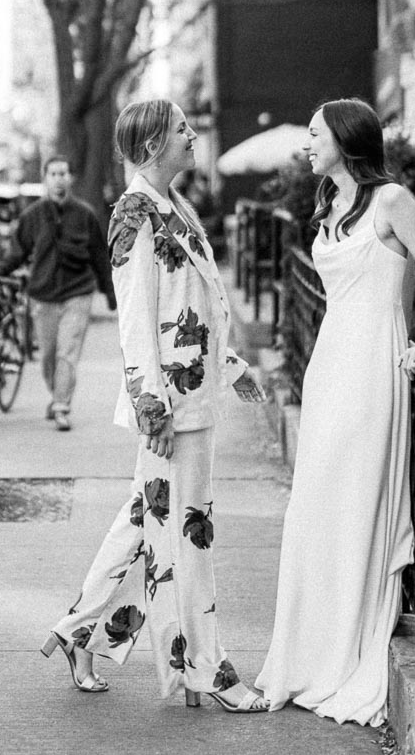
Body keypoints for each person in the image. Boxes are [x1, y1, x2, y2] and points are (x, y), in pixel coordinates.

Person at [40, 98, 269, 711]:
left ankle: (80, 631)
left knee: (149, 522)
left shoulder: (178, 207)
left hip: (193, 396)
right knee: (187, 531)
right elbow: (135, 319)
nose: (193, 136)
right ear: (150, 148)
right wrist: (152, 408)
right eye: (181, 131)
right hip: (170, 407)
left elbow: (199, 300)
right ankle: (206, 670)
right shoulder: (134, 215)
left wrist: (231, 366)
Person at [256, 97, 415, 727]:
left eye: (314, 135)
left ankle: (347, 644)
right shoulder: (329, 207)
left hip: (375, 361)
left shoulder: (392, 200)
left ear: (344, 138)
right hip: (331, 358)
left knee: (360, 498)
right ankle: (303, 654)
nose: (307, 145)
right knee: (314, 504)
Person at [0, 156, 116, 432]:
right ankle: (57, 395)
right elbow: (17, 253)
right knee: (49, 356)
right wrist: (0, 272)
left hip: (78, 293)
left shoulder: (85, 215)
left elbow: (100, 256)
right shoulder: (32, 216)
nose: (59, 178)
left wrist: (109, 292)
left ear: (70, 178)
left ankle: (62, 406)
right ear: (45, 178)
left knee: (67, 353)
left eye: (63, 173)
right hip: (43, 295)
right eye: (53, 173)